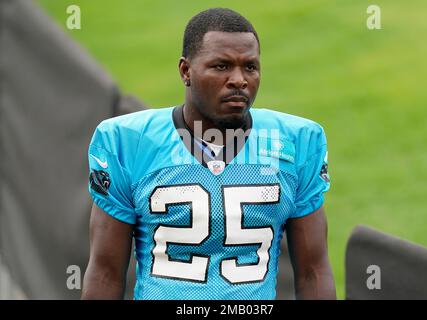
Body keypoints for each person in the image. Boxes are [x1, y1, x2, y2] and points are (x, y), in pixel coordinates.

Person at [82, 8, 336, 300]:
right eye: (221, 66)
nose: (239, 79)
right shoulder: (127, 142)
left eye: (250, 67)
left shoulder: (297, 141)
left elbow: (313, 271)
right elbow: (105, 272)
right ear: (185, 71)